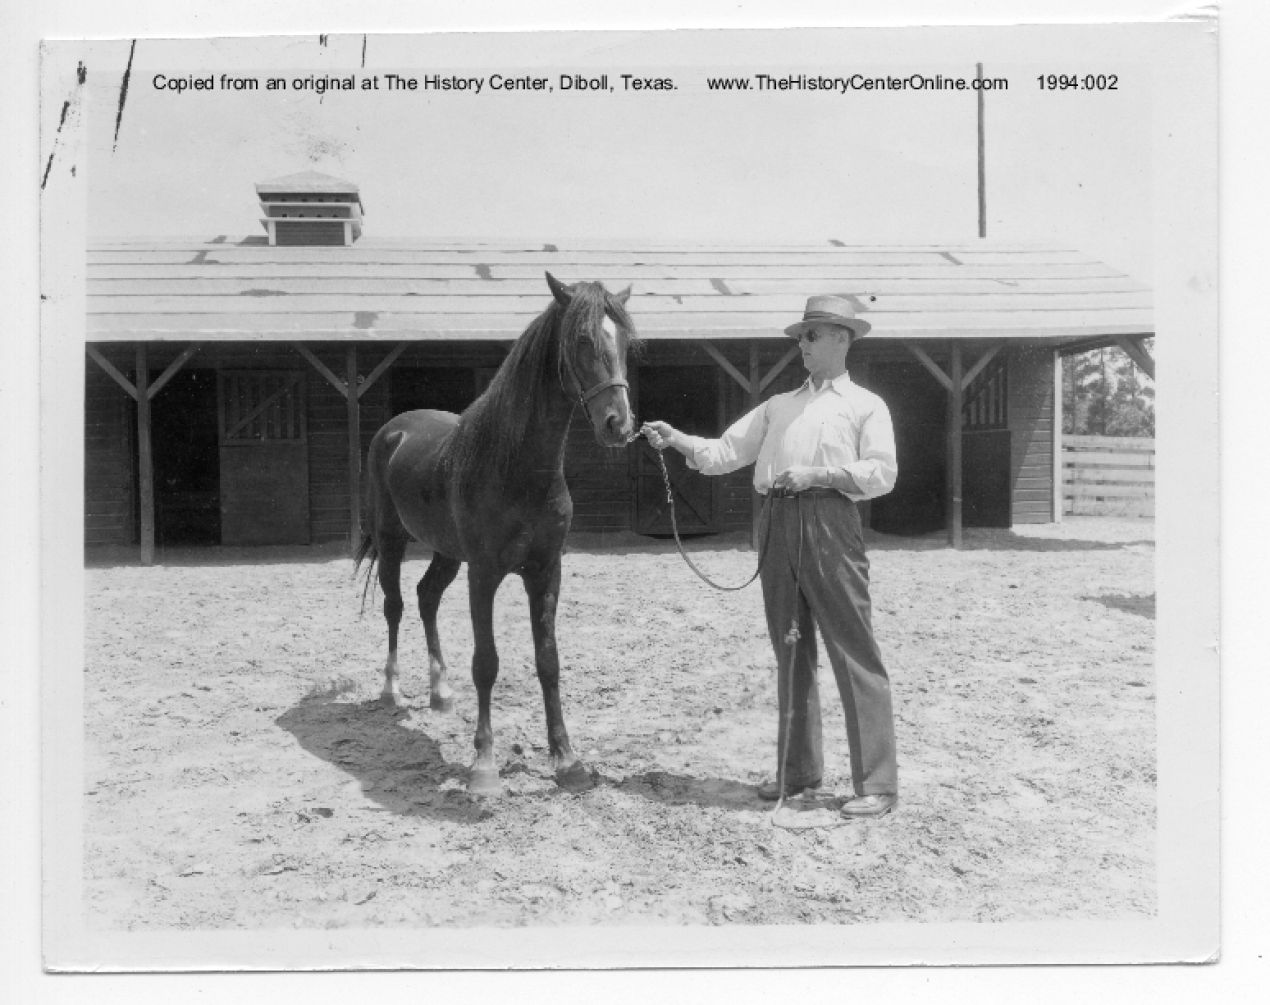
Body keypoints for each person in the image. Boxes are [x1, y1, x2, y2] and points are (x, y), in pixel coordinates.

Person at [642, 295, 899, 818]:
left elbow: (881, 473)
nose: (801, 344)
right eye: (800, 336)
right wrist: (677, 440)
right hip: (776, 524)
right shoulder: (778, 405)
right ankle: (799, 771)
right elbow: (722, 454)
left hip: (831, 524)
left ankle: (877, 783)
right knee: (792, 648)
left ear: (842, 338)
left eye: (811, 335)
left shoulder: (865, 405)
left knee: (854, 650)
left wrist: (821, 476)